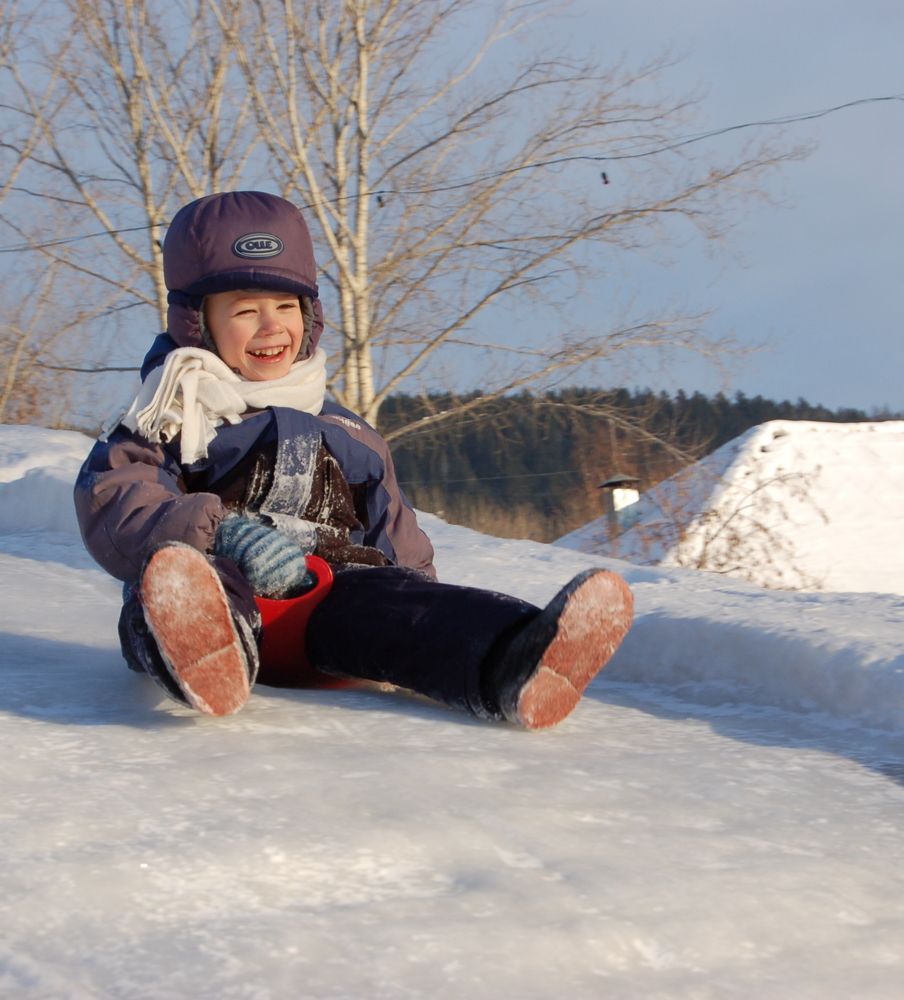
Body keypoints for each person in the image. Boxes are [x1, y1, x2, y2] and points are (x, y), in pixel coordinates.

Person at [74, 191, 633, 728]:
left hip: (328, 605)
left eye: (286, 307)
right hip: (224, 590)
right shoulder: (166, 414)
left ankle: (516, 661)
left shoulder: (345, 430)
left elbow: (395, 530)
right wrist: (222, 535)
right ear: (197, 322)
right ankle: (206, 655)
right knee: (174, 593)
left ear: (310, 315)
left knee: (400, 608)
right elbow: (117, 499)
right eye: (245, 310)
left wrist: (415, 606)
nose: (272, 328)